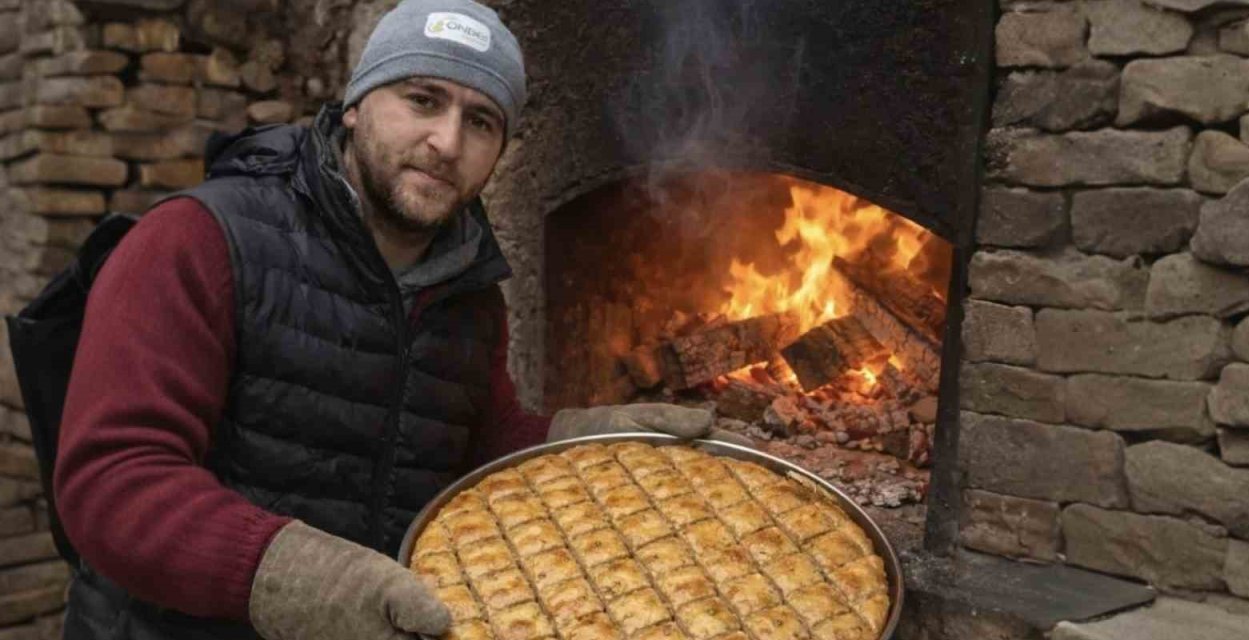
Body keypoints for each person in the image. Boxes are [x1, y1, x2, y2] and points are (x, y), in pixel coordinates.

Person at [52, 1, 742, 638]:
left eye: (481, 122)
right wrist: (290, 572)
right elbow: (111, 480)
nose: (446, 142)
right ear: (355, 106)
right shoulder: (200, 239)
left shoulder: (470, 291)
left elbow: (468, 444)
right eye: (422, 100)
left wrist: (571, 441)